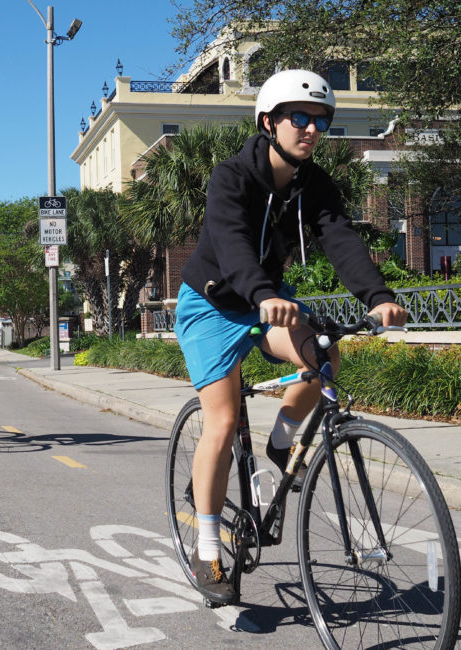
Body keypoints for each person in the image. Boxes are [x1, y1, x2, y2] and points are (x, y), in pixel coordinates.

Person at [174, 70, 407, 603]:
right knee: (225, 417)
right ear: (268, 122)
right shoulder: (231, 176)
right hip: (212, 302)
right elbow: (231, 242)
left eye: (321, 120)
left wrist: (377, 296)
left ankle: (280, 446)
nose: (311, 128)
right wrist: (260, 291)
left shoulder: (314, 184)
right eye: (299, 117)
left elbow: (341, 240)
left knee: (324, 362)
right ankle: (208, 548)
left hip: (265, 303)